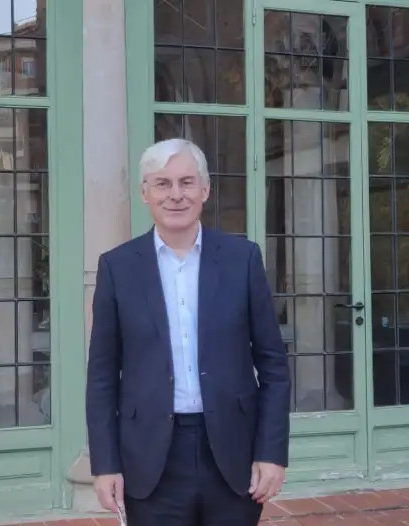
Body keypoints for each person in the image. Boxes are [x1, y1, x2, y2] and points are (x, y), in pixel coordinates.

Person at [85, 138, 291, 525]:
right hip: (150, 458)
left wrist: (271, 452)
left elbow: (274, 366)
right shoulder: (117, 267)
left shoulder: (242, 259)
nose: (175, 195)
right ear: (145, 193)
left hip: (233, 453)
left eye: (186, 182)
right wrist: (105, 464)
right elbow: (102, 376)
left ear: (205, 190)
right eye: (162, 183)